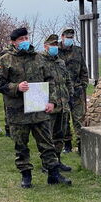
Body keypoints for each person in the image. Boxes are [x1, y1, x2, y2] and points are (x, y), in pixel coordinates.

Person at [0, 27, 72, 188]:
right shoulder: (6, 59)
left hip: (39, 109)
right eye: (20, 39)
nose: (24, 41)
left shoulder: (38, 58)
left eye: (26, 38)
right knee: (21, 146)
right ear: (13, 42)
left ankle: (53, 174)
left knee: (47, 144)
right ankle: (26, 175)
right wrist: (16, 87)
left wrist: (53, 102)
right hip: (18, 111)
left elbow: (50, 81)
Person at [41, 34, 74, 172]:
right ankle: (47, 164)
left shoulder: (60, 62)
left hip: (63, 105)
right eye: (51, 45)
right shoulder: (40, 61)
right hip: (48, 106)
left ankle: (58, 161)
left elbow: (67, 80)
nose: (54, 47)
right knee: (47, 137)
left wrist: (70, 93)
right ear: (45, 46)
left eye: (56, 45)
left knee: (59, 135)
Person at [58, 27, 88, 154]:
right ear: (62, 36)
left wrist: (83, 85)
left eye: (71, 37)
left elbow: (83, 70)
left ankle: (81, 145)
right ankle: (67, 144)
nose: (69, 39)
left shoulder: (77, 51)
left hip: (77, 90)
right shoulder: (56, 51)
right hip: (62, 91)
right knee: (64, 119)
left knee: (79, 118)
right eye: (67, 37)